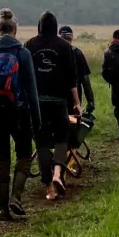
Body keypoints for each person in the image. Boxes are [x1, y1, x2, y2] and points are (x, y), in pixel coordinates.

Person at [0, 9, 41, 220]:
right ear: (15, 29)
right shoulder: (23, 53)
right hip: (20, 112)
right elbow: (31, 90)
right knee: (24, 155)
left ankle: (2, 208)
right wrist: (36, 117)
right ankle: (16, 197)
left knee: (2, 159)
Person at [25, 12, 81, 201]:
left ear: (39, 25)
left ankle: (49, 187)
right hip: (58, 101)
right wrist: (77, 103)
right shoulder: (64, 46)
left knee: (41, 142)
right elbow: (72, 79)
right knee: (61, 139)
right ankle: (58, 174)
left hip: (37, 103)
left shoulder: (30, 45)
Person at [58, 26, 95, 114]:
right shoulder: (78, 53)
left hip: (57, 96)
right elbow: (85, 81)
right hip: (74, 97)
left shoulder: (54, 52)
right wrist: (90, 101)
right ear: (72, 38)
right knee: (73, 122)